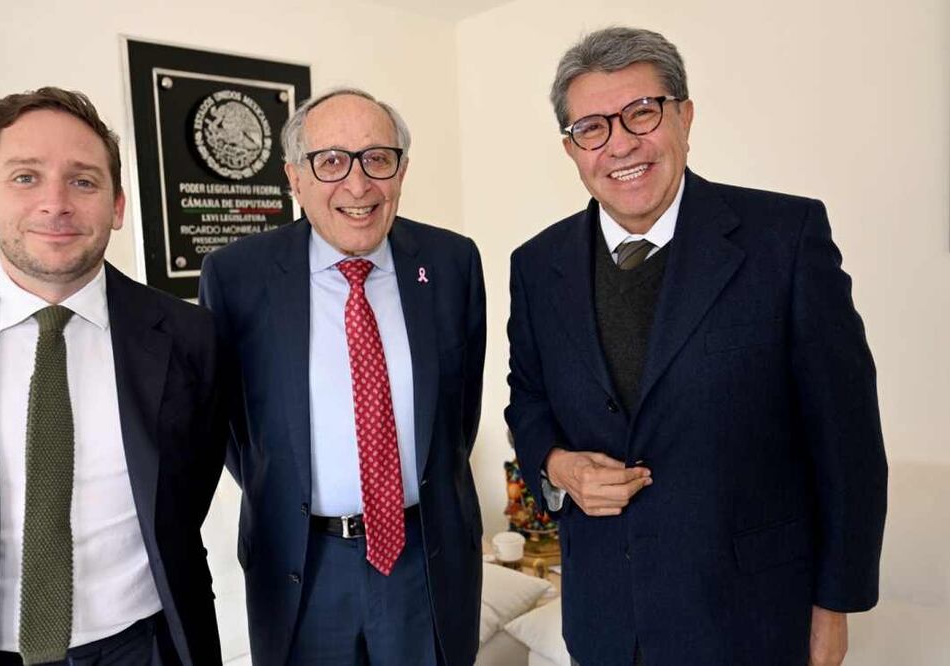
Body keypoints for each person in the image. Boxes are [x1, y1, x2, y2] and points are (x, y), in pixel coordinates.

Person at [505, 27, 887, 666]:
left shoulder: (784, 239)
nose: (620, 143)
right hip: (604, 620)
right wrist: (556, 463)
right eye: (592, 127)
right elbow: (529, 395)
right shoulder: (536, 265)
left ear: (684, 115)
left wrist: (833, 608)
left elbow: (848, 442)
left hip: (754, 618)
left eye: (641, 113)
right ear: (571, 148)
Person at [0, 87, 225, 666]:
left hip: (147, 648)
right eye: (25, 177)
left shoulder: (191, 339)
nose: (55, 203)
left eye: (83, 181)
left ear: (117, 205)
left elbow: (186, 493)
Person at [199, 87, 485, 666]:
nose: (358, 186)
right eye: (330, 161)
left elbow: (459, 417)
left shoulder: (452, 263)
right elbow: (230, 429)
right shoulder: (236, 277)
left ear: (401, 171)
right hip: (302, 564)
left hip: (423, 559)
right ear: (294, 177)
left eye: (377, 158)